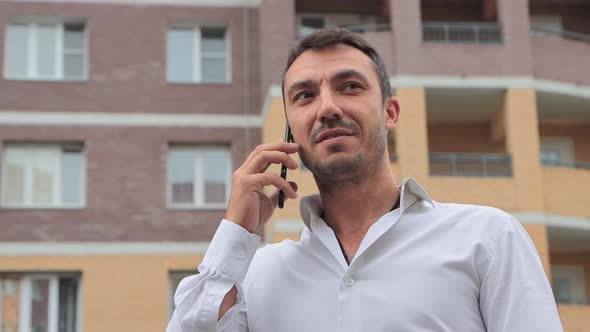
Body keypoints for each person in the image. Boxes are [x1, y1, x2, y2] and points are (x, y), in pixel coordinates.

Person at [167, 28, 563, 332]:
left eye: (350, 87)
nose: (327, 108)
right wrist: (237, 232)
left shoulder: (487, 237)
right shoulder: (258, 274)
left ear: (390, 112)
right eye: (304, 96)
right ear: (291, 134)